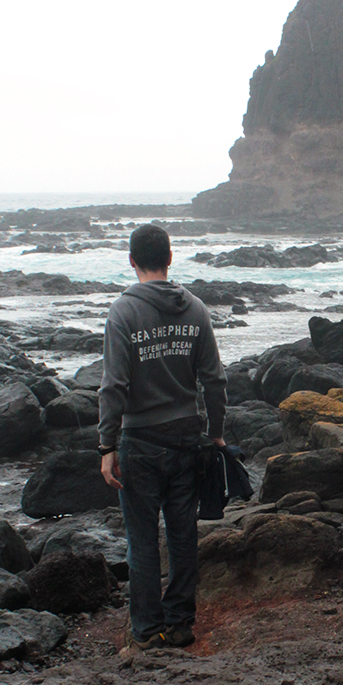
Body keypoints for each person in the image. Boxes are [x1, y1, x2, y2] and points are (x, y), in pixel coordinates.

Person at [98, 223, 227, 650]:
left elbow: (113, 386)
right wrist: (216, 433)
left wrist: (107, 446)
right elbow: (215, 379)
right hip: (187, 436)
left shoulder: (123, 312)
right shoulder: (196, 310)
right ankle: (180, 624)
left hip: (140, 442)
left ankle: (147, 631)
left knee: (142, 541)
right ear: (170, 258)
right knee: (182, 534)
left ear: (132, 260)